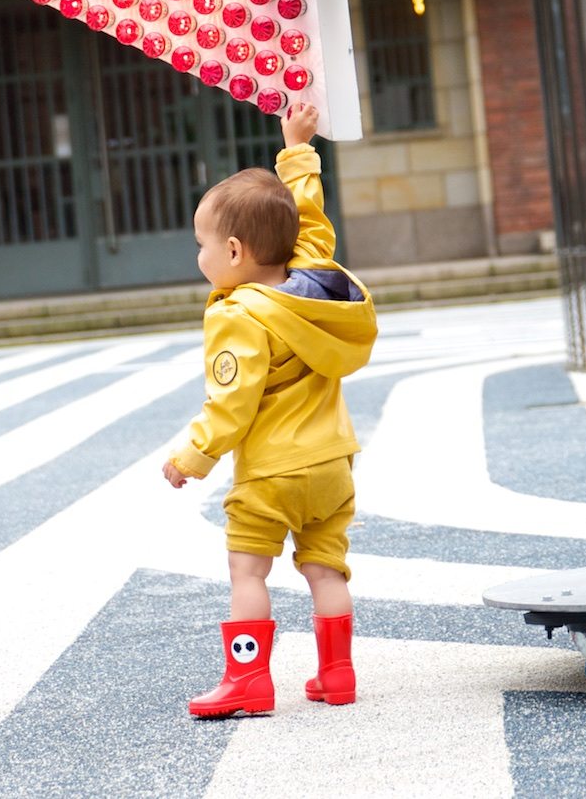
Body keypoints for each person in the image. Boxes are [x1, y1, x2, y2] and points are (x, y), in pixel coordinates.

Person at [161, 99, 378, 718]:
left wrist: (191, 457)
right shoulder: (315, 282)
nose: (198, 257)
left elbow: (231, 404)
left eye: (201, 245)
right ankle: (337, 674)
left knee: (248, 573)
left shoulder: (238, 314)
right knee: (326, 570)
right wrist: (298, 148)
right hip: (333, 465)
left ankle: (249, 680)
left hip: (272, 475)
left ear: (232, 252)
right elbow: (310, 223)